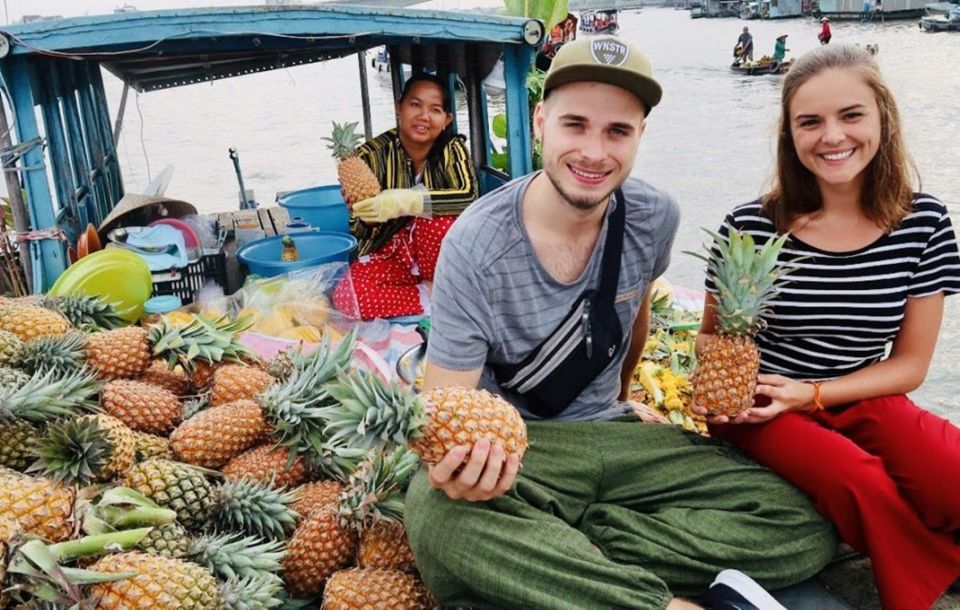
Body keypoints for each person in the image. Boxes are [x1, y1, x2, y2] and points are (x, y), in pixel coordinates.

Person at [404, 35, 837, 610]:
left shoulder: (655, 216)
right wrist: (459, 471)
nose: (594, 152)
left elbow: (631, 320)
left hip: (619, 436)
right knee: (435, 513)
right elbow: (443, 413)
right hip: (528, 451)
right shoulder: (474, 246)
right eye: (575, 125)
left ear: (640, 137)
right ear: (540, 123)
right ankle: (659, 602)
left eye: (617, 131)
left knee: (803, 526)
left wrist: (627, 398)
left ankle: (567, 556)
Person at [694, 44, 960, 610]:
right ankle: (929, 582)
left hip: (862, 393)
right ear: (789, 134)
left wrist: (813, 395)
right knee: (857, 480)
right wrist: (736, 391)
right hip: (761, 403)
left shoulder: (925, 222)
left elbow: (910, 367)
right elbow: (711, 337)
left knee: (951, 473)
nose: (832, 136)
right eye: (809, 122)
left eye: (851, 115)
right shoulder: (749, 226)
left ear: (882, 117)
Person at [332, 73, 478, 320]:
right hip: (393, 253)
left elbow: (469, 195)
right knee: (348, 296)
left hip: (443, 258)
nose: (423, 116)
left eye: (435, 109)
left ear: (447, 119)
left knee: (437, 218)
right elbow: (359, 231)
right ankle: (431, 296)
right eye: (415, 105)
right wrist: (369, 217)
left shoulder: (452, 149)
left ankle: (441, 286)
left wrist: (406, 202)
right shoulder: (368, 156)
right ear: (398, 108)